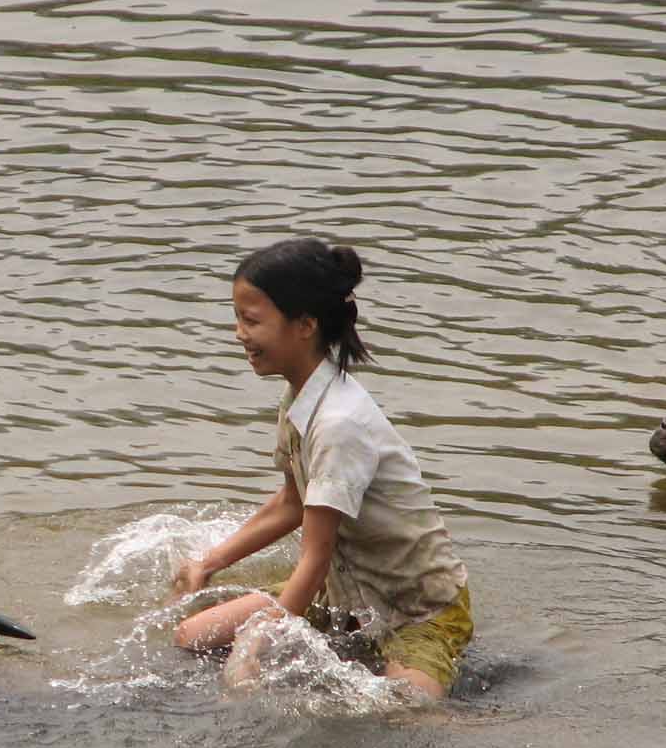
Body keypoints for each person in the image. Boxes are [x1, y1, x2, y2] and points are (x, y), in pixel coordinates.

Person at [170, 239, 472, 700]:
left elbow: (313, 558)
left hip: (416, 608)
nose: (238, 333)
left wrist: (256, 644)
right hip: (343, 595)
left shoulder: (339, 423)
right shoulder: (300, 396)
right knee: (191, 637)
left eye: (251, 321)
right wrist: (209, 563)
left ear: (306, 325)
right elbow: (292, 502)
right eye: (238, 319)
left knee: (405, 711)